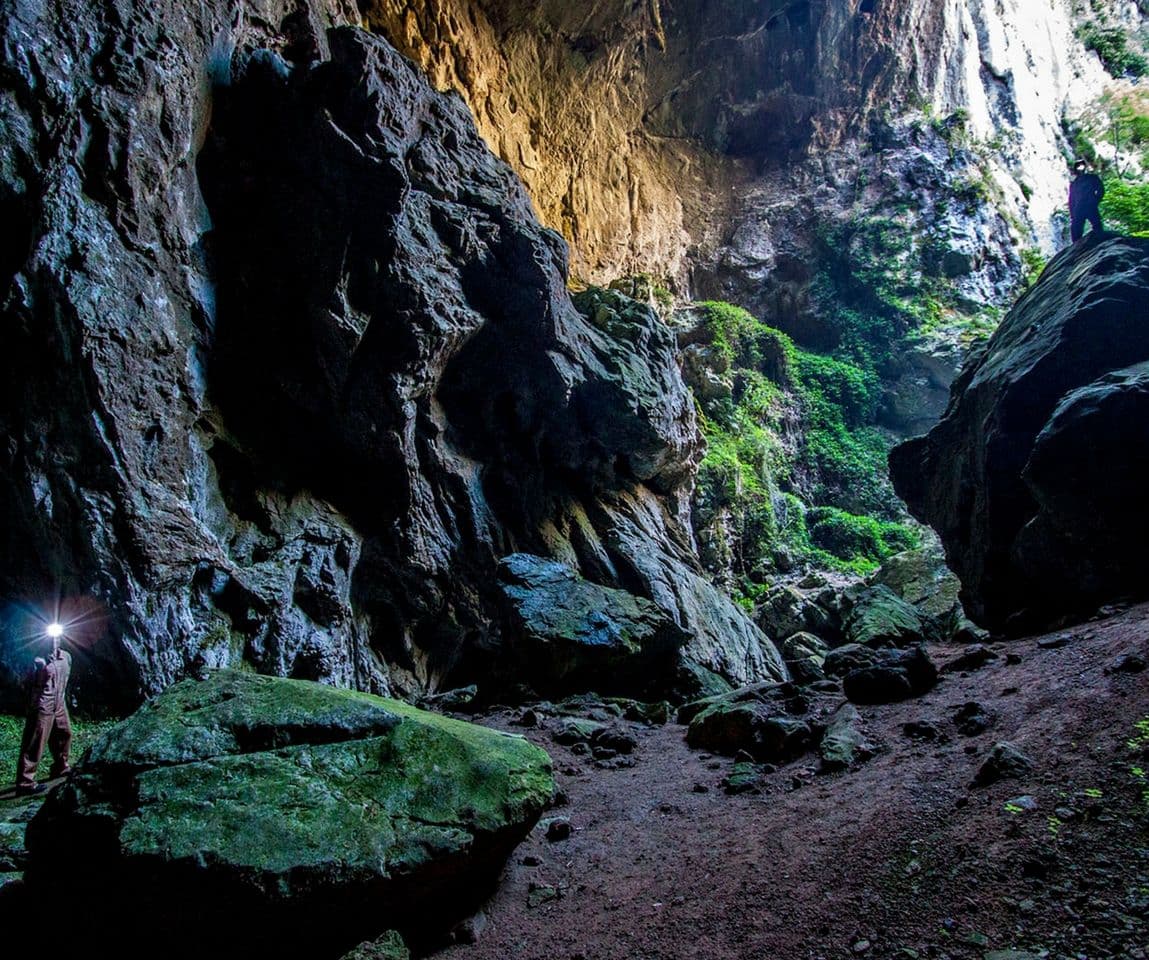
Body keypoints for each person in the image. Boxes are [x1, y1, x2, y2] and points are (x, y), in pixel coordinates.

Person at [15, 633, 73, 795]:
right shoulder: (37, 660)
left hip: (59, 701)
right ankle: (25, 782)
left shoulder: (65, 657)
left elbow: (66, 678)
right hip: (43, 703)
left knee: (64, 733)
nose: (54, 640)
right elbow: (24, 681)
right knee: (35, 740)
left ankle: (61, 767)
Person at [1069, 159, 1104, 241]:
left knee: (1096, 225)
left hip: (1089, 206)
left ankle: (1100, 241)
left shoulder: (1092, 178)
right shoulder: (1074, 183)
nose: (1079, 169)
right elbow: (1071, 199)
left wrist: (1095, 200)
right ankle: (1076, 246)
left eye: (1081, 166)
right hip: (1080, 208)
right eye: (1078, 167)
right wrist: (1072, 213)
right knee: (1076, 229)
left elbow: (1100, 190)